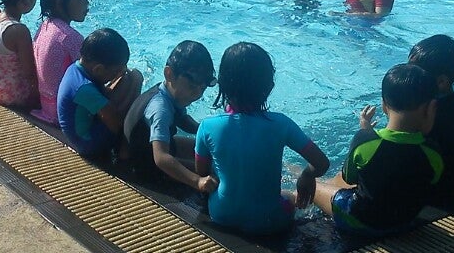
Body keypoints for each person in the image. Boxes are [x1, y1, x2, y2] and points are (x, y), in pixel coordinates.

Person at [196, 42, 330, 234]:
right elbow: (322, 163)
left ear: (222, 85)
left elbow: (202, 173)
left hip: (221, 214)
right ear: (269, 87)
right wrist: (307, 175)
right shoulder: (282, 124)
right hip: (271, 220)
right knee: (289, 196)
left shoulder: (207, 126)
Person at [313, 64, 442, 235]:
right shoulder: (432, 152)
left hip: (359, 221)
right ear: (430, 108)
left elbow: (349, 178)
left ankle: (299, 185)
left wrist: (365, 132)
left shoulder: (365, 142)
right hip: (405, 222)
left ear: (383, 105)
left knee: (310, 186)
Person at [125, 40, 218, 191]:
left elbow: (182, 120)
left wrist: (206, 130)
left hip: (150, 148)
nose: (197, 94)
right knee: (212, 172)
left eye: (202, 89)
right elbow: (161, 158)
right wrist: (198, 181)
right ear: (169, 74)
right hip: (148, 167)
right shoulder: (160, 109)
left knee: (207, 150)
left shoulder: (168, 94)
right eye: (192, 86)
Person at [58, 28, 143, 158]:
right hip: (89, 144)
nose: (117, 74)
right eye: (115, 72)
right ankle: (124, 149)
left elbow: (103, 95)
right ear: (98, 69)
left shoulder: (76, 68)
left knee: (127, 78)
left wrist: (120, 76)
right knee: (136, 79)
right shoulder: (84, 88)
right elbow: (115, 124)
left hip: (87, 127)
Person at [408, 35, 454, 210]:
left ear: (441, 82)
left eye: (415, 74)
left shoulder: (429, 112)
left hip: (430, 197)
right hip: (451, 190)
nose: (407, 77)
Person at [32, 0, 89, 125]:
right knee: (131, 78)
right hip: (65, 114)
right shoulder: (70, 37)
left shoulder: (45, 27)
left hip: (46, 107)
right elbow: (92, 78)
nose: (87, 3)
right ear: (59, 3)